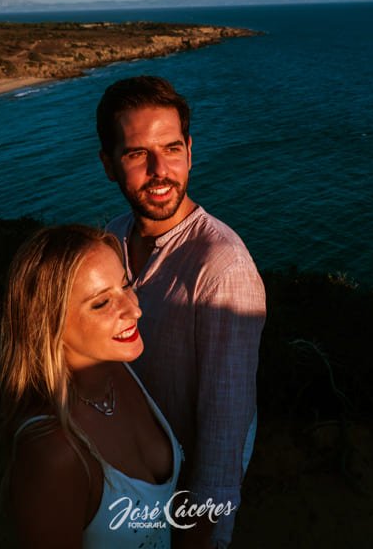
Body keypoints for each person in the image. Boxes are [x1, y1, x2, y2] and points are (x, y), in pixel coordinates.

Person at [97, 76, 266, 548]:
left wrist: (199, 536)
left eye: (171, 148)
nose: (159, 170)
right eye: (135, 154)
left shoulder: (222, 267)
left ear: (190, 150)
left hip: (182, 489)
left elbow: (222, 437)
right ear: (108, 164)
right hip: (129, 473)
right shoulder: (111, 237)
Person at [0, 224, 182, 548]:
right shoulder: (55, 452)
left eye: (125, 286)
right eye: (101, 303)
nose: (134, 309)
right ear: (48, 324)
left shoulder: (119, 370)